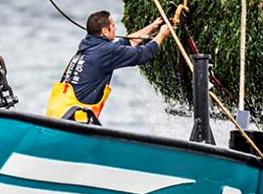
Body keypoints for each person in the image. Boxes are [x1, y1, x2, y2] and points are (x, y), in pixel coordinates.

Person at [48, 8, 180, 123]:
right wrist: (162, 35)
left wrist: (153, 26)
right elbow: (144, 54)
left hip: (57, 117)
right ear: (105, 31)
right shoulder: (106, 52)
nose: (116, 28)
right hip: (73, 123)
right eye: (113, 25)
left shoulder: (88, 45)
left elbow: (126, 43)